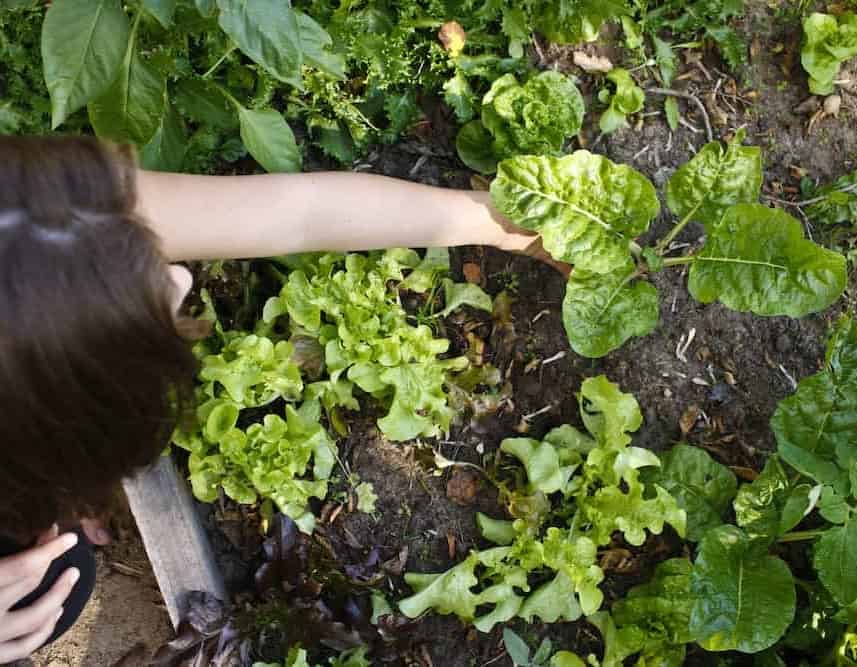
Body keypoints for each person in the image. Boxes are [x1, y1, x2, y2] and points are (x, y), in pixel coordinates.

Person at [0, 135, 545, 661]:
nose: (179, 279)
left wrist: (498, 223)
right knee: (47, 589)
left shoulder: (36, 224)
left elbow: (299, 212)